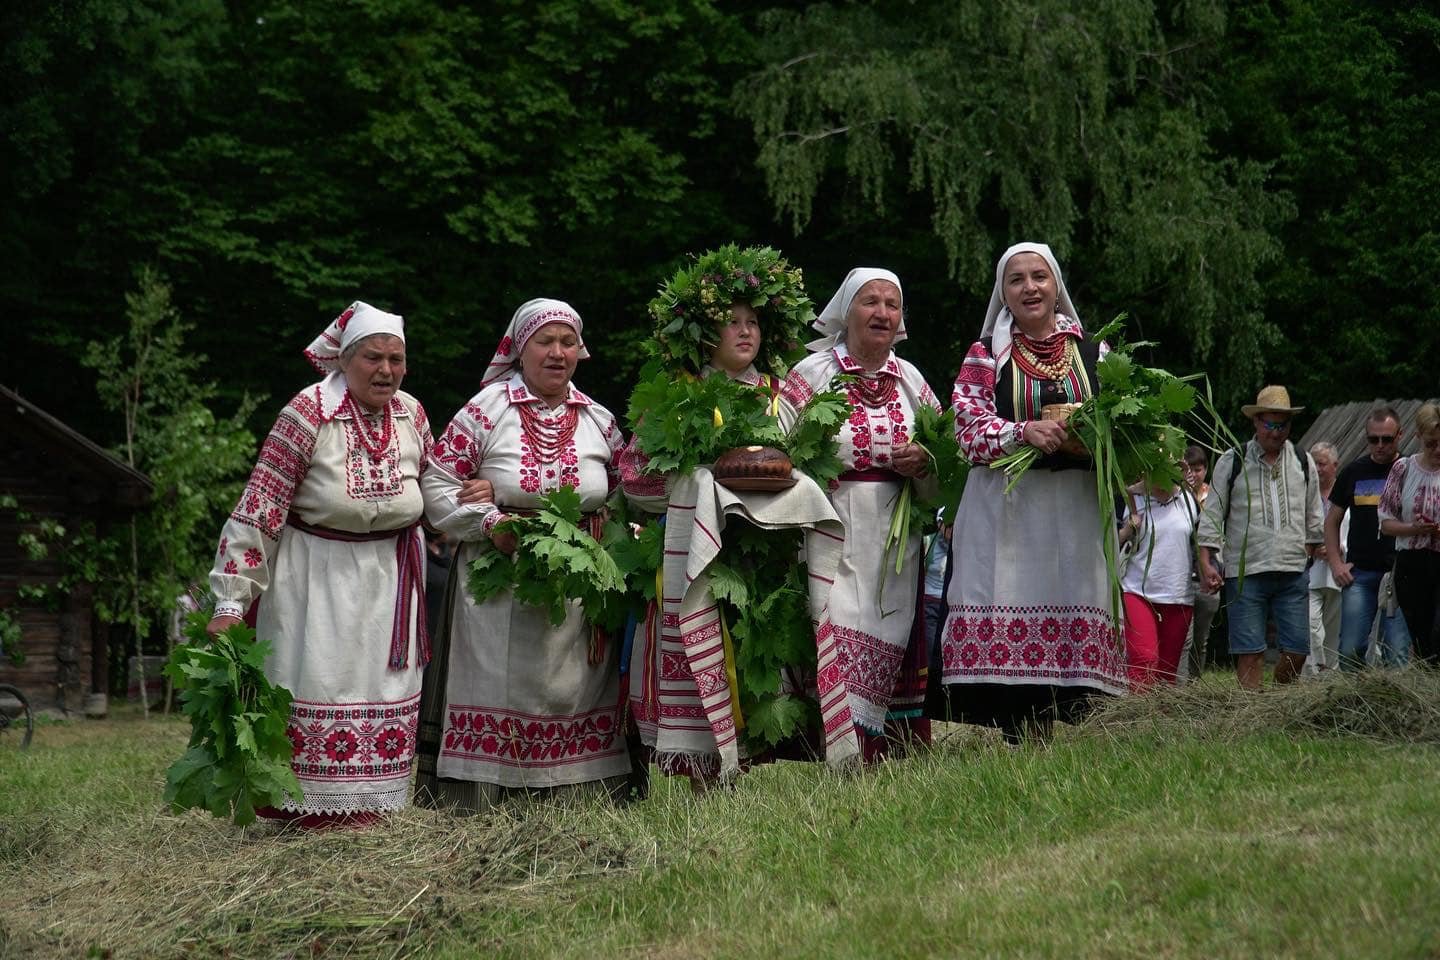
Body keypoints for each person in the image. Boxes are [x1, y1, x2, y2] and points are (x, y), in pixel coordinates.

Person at [621, 245, 846, 780]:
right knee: (702, 657)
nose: (745, 332)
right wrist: (701, 485)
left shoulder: (779, 395)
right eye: (730, 322)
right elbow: (634, 479)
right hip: (699, 557)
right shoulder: (677, 394)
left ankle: (752, 769)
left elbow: (817, 465)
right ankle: (701, 776)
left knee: (763, 661)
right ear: (703, 332)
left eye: (753, 322)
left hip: (766, 563)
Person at [206, 301, 433, 827]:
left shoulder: (412, 413)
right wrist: (230, 601)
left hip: (392, 579)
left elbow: (435, 477)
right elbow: (261, 505)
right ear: (344, 359)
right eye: (374, 358)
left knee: (385, 686)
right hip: (317, 577)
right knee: (319, 679)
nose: (386, 370)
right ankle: (305, 813)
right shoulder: (306, 414)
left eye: (396, 359)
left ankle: (376, 808)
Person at [418, 299, 630, 810]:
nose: (558, 353)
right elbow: (436, 485)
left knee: (571, 687)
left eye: (568, 342)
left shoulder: (599, 419)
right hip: (499, 584)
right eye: (545, 341)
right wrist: (490, 522)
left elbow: (626, 492)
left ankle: (578, 798)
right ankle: (487, 798)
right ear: (519, 347)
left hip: (579, 588)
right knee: (501, 681)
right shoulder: (484, 412)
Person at [939, 242, 1125, 741]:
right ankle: (1020, 725)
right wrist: (1023, 433)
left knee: (1072, 593)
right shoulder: (985, 355)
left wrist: (1102, 443)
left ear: (1056, 285)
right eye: (1016, 279)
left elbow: (1123, 419)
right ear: (1003, 293)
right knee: (1012, 593)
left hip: (1074, 509)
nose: (1030, 287)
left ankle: (1075, 718)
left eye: (1039, 277)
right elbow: (965, 427)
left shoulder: (1094, 351)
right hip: (1010, 511)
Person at [781, 267, 942, 759]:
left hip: (895, 538)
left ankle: (884, 754)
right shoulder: (811, 375)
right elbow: (776, 449)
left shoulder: (911, 379)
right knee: (837, 632)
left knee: (890, 629)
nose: (882, 313)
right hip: (831, 528)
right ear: (845, 312)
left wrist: (924, 462)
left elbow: (944, 457)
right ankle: (845, 757)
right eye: (870, 302)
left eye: (892, 304)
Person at [1197, 385, 1324, 689]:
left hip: (1292, 571)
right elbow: (1213, 513)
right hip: (1246, 571)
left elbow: (1314, 515)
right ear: (1255, 422)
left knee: (1297, 651)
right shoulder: (1234, 460)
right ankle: (1249, 715)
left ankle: (1276, 703)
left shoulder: (1303, 462)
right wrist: (1206, 561)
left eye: (1283, 425)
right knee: (1249, 651)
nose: (1276, 432)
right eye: (1269, 424)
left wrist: (1307, 550)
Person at [1326, 405, 1412, 668]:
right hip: (1359, 572)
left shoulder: (1411, 470)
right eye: (1373, 439)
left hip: (1399, 573)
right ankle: (1351, 705)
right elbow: (1331, 521)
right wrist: (1335, 564)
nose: (1380, 445)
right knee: (1350, 650)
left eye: (1387, 439)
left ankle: (1393, 707)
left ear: (1400, 435)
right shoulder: (1353, 472)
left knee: (1396, 654)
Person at [1118, 477, 1199, 689]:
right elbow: (1107, 540)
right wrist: (1127, 529)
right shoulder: (1130, 498)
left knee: (1167, 672)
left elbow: (1200, 540)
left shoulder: (1188, 499)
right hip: (1137, 591)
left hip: (1178, 594)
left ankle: (1162, 720)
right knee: (1143, 661)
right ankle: (1138, 719)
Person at [1378, 402, 1440, 664]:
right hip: (1411, 563)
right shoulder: (1403, 469)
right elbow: (1385, 522)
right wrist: (1414, 528)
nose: (1438, 450)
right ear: (1418, 438)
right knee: (1423, 639)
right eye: (1431, 443)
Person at [1177, 446, 1217, 681]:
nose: (1194, 474)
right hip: (1183, 576)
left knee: (1200, 640)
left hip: (1207, 572)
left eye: (1198, 469)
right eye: (1189, 469)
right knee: (1184, 638)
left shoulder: (1213, 496)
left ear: (1206, 470)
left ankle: (1195, 683)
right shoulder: (1175, 495)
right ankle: (1181, 685)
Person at [1305, 442, 1343, 674]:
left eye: (1322, 464)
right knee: (1311, 626)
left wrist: (1337, 548)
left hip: (1339, 572)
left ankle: (1331, 679)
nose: (1318, 469)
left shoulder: (1344, 492)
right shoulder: (1306, 493)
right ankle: (1312, 676)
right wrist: (1312, 547)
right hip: (1310, 571)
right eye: (1314, 464)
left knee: (1333, 630)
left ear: (1335, 466)